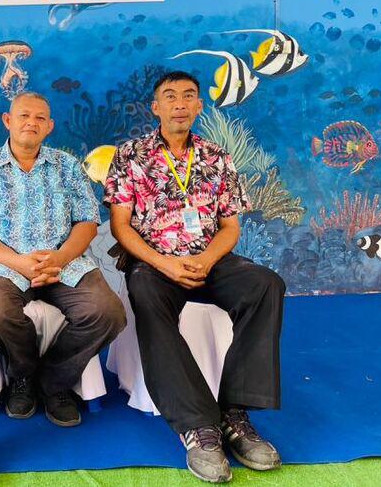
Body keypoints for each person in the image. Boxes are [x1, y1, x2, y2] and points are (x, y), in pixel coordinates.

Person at [105, 70, 285, 483]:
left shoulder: (217, 156)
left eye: (189, 96)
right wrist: (163, 262)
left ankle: (234, 413)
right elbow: (120, 226)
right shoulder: (130, 155)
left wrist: (206, 259)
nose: (180, 104)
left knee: (266, 284)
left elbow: (231, 227)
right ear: (156, 107)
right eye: (170, 96)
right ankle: (197, 425)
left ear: (200, 105)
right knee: (145, 294)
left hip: (209, 257)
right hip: (153, 260)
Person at [0, 91, 126, 428]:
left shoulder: (68, 166)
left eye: (40, 118)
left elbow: (87, 222)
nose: (31, 123)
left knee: (108, 313)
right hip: (5, 264)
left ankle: (54, 381)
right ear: (7, 121)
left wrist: (60, 258)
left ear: (50, 126)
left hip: (65, 260)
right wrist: (20, 263)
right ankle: (22, 376)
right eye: (23, 116)